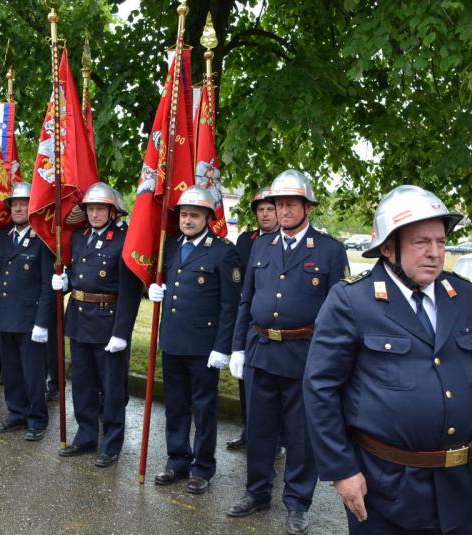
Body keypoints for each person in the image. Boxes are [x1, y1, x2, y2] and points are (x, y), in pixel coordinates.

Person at [303, 185, 472, 534]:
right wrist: (342, 471)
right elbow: (321, 389)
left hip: (461, 485)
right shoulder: (352, 301)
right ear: (387, 247)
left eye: (440, 242)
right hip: (386, 489)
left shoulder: (463, 295)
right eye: (421, 242)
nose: (434, 253)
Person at [226, 170, 348, 535]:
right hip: (261, 350)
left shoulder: (329, 250)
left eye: (292, 204)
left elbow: (339, 312)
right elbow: (246, 299)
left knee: (300, 436)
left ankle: (297, 503)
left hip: (305, 355)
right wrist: (237, 347)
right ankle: (257, 491)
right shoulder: (261, 246)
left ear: (307, 207)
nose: (284, 211)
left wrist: (333, 361)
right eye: (279, 204)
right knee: (259, 430)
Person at [147, 185, 241, 495]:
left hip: (203, 346)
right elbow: (159, 278)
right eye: (184, 214)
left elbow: (230, 305)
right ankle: (177, 460)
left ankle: (202, 467)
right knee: (174, 406)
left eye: (195, 215)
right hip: (172, 340)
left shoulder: (223, 251)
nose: (188, 220)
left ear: (207, 218)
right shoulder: (171, 246)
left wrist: (222, 347)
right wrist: (153, 287)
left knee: (203, 408)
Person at [52, 182, 141, 467]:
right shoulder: (80, 238)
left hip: (108, 322)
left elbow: (130, 291)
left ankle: (111, 442)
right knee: (82, 383)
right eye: (91, 208)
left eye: (101, 208)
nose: (95, 213)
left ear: (113, 212)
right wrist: (65, 284)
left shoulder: (124, 240)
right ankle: (86, 434)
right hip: (79, 318)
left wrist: (122, 332)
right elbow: (79, 273)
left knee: (112, 386)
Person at [0, 181, 54, 441]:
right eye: (14, 204)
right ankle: (16, 413)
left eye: (23, 203)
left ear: (32, 207)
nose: (18, 208)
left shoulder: (42, 239)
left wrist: (42, 322)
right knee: (11, 371)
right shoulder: (3, 238)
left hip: (30, 319)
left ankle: (37, 419)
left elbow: (47, 286)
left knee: (33, 374)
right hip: (3, 315)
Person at [226, 186, 281, 452]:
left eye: (271, 209)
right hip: (247, 319)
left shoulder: (285, 243)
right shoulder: (246, 241)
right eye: (261, 210)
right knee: (246, 380)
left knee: (275, 383)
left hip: (275, 323)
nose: (266, 214)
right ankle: (249, 430)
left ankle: (279, 438)